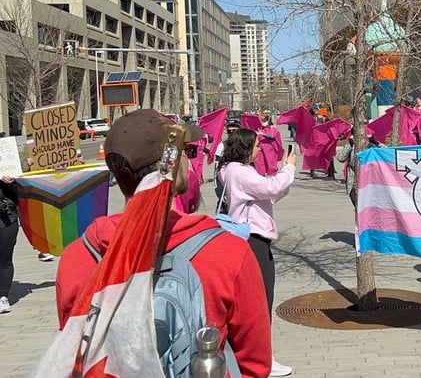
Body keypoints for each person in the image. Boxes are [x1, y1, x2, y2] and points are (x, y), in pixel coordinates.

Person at [53, 109, 276, 377]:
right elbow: (255, 364)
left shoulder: (79, 256)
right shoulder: (229, 252)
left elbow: (75, 345)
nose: (188, 159)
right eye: (186, 151)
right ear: (172, 164)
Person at [218, 128, 297, 375]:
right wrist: (289, 168)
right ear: (244, 148)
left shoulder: (231, 171)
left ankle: (251, 355)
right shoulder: (241, 173)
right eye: (255, 146)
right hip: (253, 240)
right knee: (262, 301)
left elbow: (269, 193)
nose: (259, 149)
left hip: (249, 238)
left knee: (253, 301)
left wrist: (281, 182)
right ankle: (263, 358)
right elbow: (271, 188)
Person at [0, 175, 21, 314]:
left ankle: (3, 297)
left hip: (7, 218)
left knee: (4, 259)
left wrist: (11, 183)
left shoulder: (8, 165)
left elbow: (21, 194)